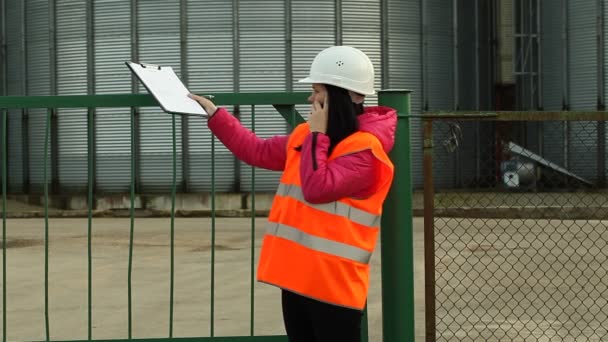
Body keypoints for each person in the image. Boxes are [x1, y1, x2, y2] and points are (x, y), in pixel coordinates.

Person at [189, 45, 396, 342]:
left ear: (339, 95)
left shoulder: (365, 152)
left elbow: (316, 188)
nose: (310, 99)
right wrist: (215, 114)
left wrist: (317, 135)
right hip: (297, 281)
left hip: (334, 289)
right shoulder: (305, 137)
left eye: (316, 91)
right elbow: (256, 150)